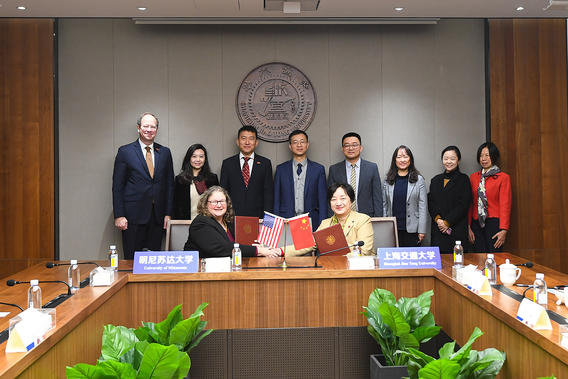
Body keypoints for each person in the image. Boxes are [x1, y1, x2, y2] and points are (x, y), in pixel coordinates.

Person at [112, 112, 174, 259]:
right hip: (132, 216)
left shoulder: (164, 152)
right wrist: (119, 215)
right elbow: (117, 186)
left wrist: (168, 213)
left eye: (153, 127)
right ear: (139, 128)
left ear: (157, 130)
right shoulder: (125, 151)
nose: (149, 129)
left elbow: (169, 185)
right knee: (131, 261)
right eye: (146, 126)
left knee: (153, 260)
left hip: (157, 216)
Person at [184, 186, 281, 258]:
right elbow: (222, 248)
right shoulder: (200, 223)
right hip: (201, 273)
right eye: (214, 202)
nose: (219, 205)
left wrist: (254, 246)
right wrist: (258, 250)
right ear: (205, 204)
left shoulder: (228, 222)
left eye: (222, 201)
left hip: (228, 268)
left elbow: (238, 243)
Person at [286, 183, 374, 257]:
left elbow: (364, 251)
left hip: (357, 270)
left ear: (351, 201)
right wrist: (281, 251)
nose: (338, 203)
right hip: (331, 269)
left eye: (343, 198)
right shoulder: (325, 223)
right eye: (333, 199)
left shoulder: (362, 220)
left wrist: (335, 259)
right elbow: (308, 244)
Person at [273, 130, 327, 230]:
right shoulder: (281, 169)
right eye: (295, 142)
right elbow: (276, 200)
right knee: (288, 246)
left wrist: (322, 225)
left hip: (310, 220)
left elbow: (322, 201)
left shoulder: (318, 169)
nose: (299, 145)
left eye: (302, 142)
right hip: (286, 220)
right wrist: (276, 224)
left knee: (310, 246)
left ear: (307, 145)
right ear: (290, 146)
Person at [220, 125, 274, 218]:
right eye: (243, 138)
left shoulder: (265, 163)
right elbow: (223, 192)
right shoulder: (228, 164)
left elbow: (268, 193)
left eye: (251, 139)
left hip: (258, 217)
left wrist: (268, 217)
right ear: (238, 141)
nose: (247, 142)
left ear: (256, 142)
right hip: (232, 217)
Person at [468, 142, 512, 252]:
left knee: (494, 256)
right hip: (476, 223)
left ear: (494, 156)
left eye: (487, 155)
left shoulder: (503, 178)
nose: (483, 159)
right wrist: (468, 227)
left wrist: (504, 230)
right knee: (478, 257)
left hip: (494, 223)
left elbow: (505, 204)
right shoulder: (473, 177)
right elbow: (470, 204)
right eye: (481, 155)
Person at [428, 146, 472, 253]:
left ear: (458, 160)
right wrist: (439, 220)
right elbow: (431, 202)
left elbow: (464, 205)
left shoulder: (464, 179)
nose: (449, 161)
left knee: (457, 261)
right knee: (438, 263)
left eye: (452, 158)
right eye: (446, 158)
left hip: (457, 228)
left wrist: (447, 222)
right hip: (438, 229)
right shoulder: (435, 180)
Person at [327, 132, 383, 217]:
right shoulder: (334, 169)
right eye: (347, 145)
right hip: (341, 218)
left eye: (354, 145)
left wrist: (378, 220)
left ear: (360, 148)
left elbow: (377, 197)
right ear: (343, 149)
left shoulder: (372, 168)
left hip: (366, 217)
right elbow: (330, 197)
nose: (351, 148)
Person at [383, 145, 427, 247]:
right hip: (392, 229)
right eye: (399, 157)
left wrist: (422, 230)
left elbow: (423, 206)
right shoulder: (387, 180)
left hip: (413, 229)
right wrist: (384, 227)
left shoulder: (419, 180)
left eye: (406, 156)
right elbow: (384, 205)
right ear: (394, 160)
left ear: (410, 159)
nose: (402, 160)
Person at [173, 144, 219, 220]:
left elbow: (217, 203)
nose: (198, 160)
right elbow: (175, 206)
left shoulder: (212, 179)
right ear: (189, 158)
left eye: (201, 156)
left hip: (208, 224)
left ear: (205, 159)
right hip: (186, 223)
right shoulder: (180, 179)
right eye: (194, 156)